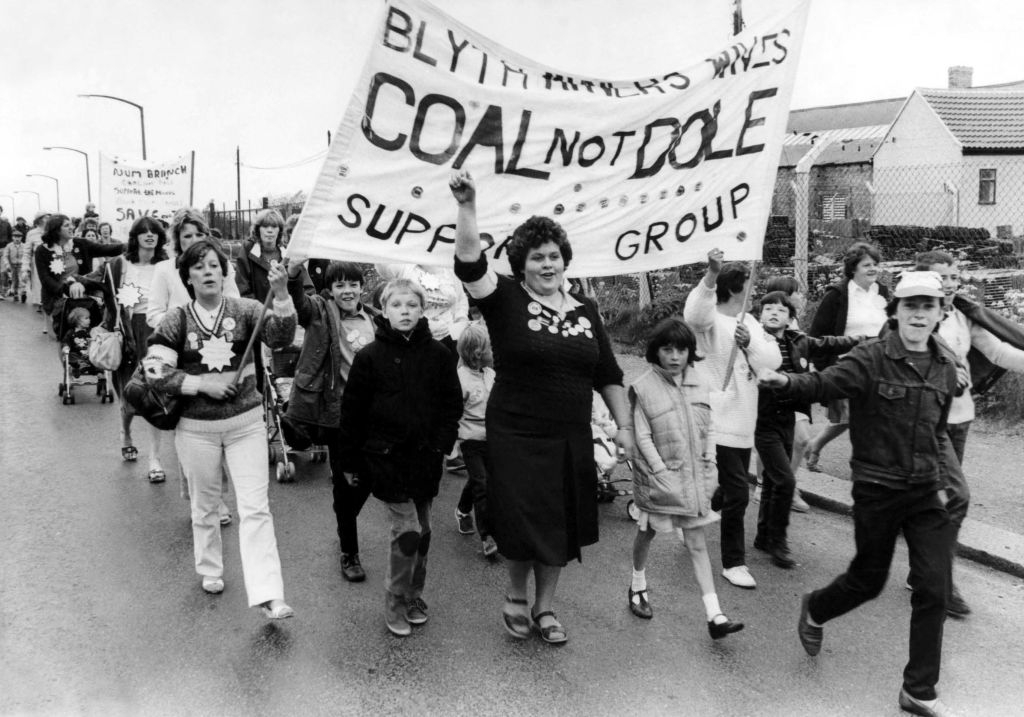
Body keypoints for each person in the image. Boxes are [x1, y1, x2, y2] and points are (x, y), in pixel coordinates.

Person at [759, 270, 960, 717]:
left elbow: (939, 430)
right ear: (896, 311)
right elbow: (826, 383)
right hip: (878, 489)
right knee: (868, 581)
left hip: (926, 490)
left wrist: (948, 482)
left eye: (928, 306)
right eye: (911, 305)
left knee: (934, 587)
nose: (919, 314)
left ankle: (919, 691)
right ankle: (816, 607)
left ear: (941, 313)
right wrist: (787, 383)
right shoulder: (870, 357)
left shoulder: (946, 367)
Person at [449, 170, 633, 645]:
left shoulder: (586, 309)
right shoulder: (505, 299)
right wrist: (467, 206)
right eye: (537, 257)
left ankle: (545, 606)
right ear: (522, 264)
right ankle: (514, 592)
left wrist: (625, 428)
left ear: (564, 259)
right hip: (516, 431)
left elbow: (608, 374)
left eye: (554, 256)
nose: (547, 264)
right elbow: (470, 264)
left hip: (570, 433)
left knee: (559, 522)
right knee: (523, 517)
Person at [144, 238, 296, 619]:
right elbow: (154, 370)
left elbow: (280, 338)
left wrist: (281, 295)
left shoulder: (246, 310)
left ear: (224, 272)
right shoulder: (176, 320)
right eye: (199, 267)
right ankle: (210, 567)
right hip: (196, 430)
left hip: (246, 425)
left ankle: (269, 594)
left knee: (256, 508)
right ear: (188, 277)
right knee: (205, 504)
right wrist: (201, 385)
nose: (208, 271)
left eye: (214, 265)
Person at [337, 278, 462, 636]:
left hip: (425, 458)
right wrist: (349, 462)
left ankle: (412, 595)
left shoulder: (439, 355)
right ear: (384, 310)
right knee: (407, 530)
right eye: (396, 306)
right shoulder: (369, 357)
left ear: (422, 310)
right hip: (385, 458)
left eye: (411, 305)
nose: (404, 312)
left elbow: (450, 405)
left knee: (424, 532)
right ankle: (394, 600)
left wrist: (442, 444)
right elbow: (352, 414)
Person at [914, 251, 1024, 619]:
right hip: (927, 420)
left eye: (954, 277)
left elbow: (999, 352)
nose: (950, 284)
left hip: (960, 417)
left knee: (938, 498)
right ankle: (939, 580)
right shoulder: (915, 318)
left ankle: (924, 568)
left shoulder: (963, 315)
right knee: (956, 497)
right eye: (942, 277)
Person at [627, 317, 744, 639]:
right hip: (661, 481)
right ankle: (637, 584)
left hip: (694, 479)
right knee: (647, 533)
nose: (675, 356)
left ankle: (715, 615)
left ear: (689, 351)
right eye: (667, 349)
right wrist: (661, 473)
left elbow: (709, 427)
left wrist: (712, 461)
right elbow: (642, 436)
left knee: (696, 544)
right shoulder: (644, 386)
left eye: (681, 349)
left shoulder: (700, 381)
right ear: (656, 351)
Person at [683, 248, 781, 590]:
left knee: (723, 488)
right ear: (734, 287)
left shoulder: (749, 322)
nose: (753, 291)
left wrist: (751, 342)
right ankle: (733, 562)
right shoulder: (710, 320)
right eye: (749, 285)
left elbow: (772, 360)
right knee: (739, 491)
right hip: (715, 418)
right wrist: (710, 275)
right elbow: (694, 314)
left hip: (743, 420)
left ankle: (695, 514)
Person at [282, 258, 378, 583]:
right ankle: (349, 552)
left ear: (361, 287)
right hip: (337, 416)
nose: (347, 290)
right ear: (331, 289)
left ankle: (343, 517)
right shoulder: (321, 312)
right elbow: (300, 304)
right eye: (340, 285)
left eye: (352, 284)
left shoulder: (375, 320)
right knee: (342, 481)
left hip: (372, 416)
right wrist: (294, 273)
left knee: (369, 479)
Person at [753, 291, 861, 568]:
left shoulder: (798, 340)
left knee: (774, 483)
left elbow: (829, 343)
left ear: (791, 318)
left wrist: (861, 340)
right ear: (760, 315)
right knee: (785, 480)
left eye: (780, 309)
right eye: (767, 308)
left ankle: (764, 535)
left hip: (789, 417)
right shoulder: (753, 341)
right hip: (762, 419)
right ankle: (779, 541)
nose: (773, 313)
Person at [147, 208, 237, 521]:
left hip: (219, 354)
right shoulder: (164, 270)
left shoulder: (222, 268)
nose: (195, 240)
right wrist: (183, 325)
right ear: (177, 240)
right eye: (187, 236)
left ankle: (217, 498)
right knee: (192, 436)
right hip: (184, 361)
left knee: (223, 430)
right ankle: (205, 501)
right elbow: (153, 313)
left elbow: (237, 305)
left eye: (200, 234)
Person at [92, 217, 171, 475]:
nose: (149, 236)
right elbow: (95, 280)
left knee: (155, 395)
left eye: (154, 232)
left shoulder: (167, 265)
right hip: (128, 333)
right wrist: (76, 282)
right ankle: (125, 433)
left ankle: (155, 460)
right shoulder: (119, 264)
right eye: (144, 232)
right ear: (135, 236)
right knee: (128, 397)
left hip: (158, 332)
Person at [804, 242, 889, 471]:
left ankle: (815, 444)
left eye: (875, 264)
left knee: (856, 417)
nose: (873, 269)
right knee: (856, 418)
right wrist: (821, 368)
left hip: (880, 364)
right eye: (866, 265)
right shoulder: (838, 295)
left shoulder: (881, 291)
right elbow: (817, 334)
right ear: (853, 268)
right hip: (847, 365)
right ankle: (864, 472)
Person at [758, 275, 811, 512]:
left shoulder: (795, 325)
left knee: (797, 441)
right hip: (773, 396)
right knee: (791, 440)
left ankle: (785, 485)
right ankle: (775, 486)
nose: (801, 296)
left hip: (796, 392)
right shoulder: (764, 328)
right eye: (797, 292)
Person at [453, 322, 499, 559]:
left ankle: (462, 510)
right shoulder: (460, 379)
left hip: (492, 438)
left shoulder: (491, 374)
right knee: (482, 484)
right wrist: (452, 445)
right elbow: (452, 412)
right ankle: (487, 536)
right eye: (489, 347)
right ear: (477, 353)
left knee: (479, 479)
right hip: (470, 439)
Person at [35, 214, 123, 320]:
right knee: (60, 334)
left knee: (84, 334)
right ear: (56, 230)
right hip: (57, 301)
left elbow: (107, 249)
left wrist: (132, 245)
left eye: (71, 224)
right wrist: (68, 288)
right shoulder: (42, 250)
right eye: (67, 225)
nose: (72, 227)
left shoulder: (80, 244)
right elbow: (46, 279)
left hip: (84, 299)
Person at [22, 213, 49, 312]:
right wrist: (25, 268)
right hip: (37, 261)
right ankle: (40, 303)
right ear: (40, 220)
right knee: (38, 282)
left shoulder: (52, 231)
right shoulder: (32, 233)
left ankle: (50, 302)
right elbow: (27, 251)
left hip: (52, 259)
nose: (49, 219)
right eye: (46, 217)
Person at [61, 306, 93, 376]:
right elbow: (65, 341)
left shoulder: (91, 331)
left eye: (89, 318)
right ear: (77, 320)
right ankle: (77, 368)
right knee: (70, 356)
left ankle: (100, 374)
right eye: (86, 318)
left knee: (97, 359)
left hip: (89, 354)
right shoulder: (71, 332)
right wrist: (66, 347)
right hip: (76, 355)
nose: (89, 320)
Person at [4, 229, 25, 301]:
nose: (17, 238)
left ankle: (23, 293)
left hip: (21, 266)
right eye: (15, 237)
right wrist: (7, 264)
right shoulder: (9, 246)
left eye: (19, 237)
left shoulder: (24, 246)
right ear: (12, 237)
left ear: (21, 238)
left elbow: (27, 256)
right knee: (14, 280)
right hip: (12, 266)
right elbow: (5, 256)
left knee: (22, 279)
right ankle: (15, 293)